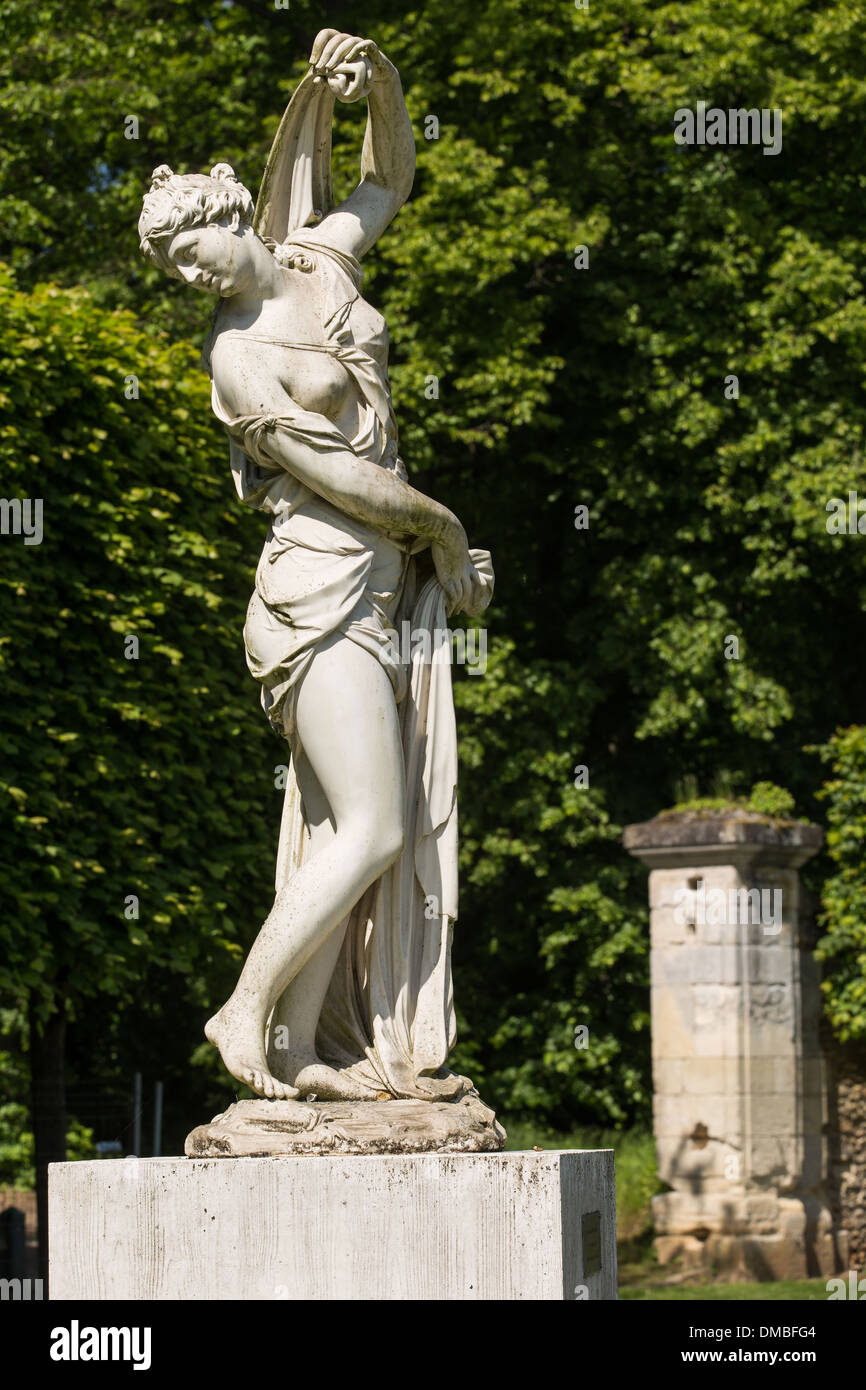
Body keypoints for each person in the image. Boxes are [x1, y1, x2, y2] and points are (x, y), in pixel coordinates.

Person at [138, 29, 493, 1105]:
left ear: (229, 215)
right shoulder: (237, 360)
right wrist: (439, 529)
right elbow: (349, 484)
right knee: (376, 824)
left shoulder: (322, 260)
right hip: (315, 594)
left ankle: (299, 1047)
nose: (188, 273)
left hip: (377, 589)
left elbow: (388, 175)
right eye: (172, 269)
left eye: (191, 248)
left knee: (354, 829)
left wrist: (377, 80)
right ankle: (243, 1009)